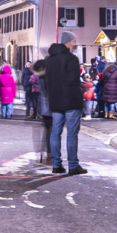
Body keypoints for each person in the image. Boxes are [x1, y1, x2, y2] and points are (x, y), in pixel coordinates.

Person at [42, 33, 86, 175]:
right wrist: (80, 101)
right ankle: (73, 165)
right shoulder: (71, 59)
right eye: (74, 41)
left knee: (56, 132)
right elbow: (74, 82)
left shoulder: (49, 60)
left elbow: (46, 81)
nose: (75, 43)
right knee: (72, 134)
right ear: (68, 42)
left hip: (55, 100)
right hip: (71, 100)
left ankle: (56, 165)